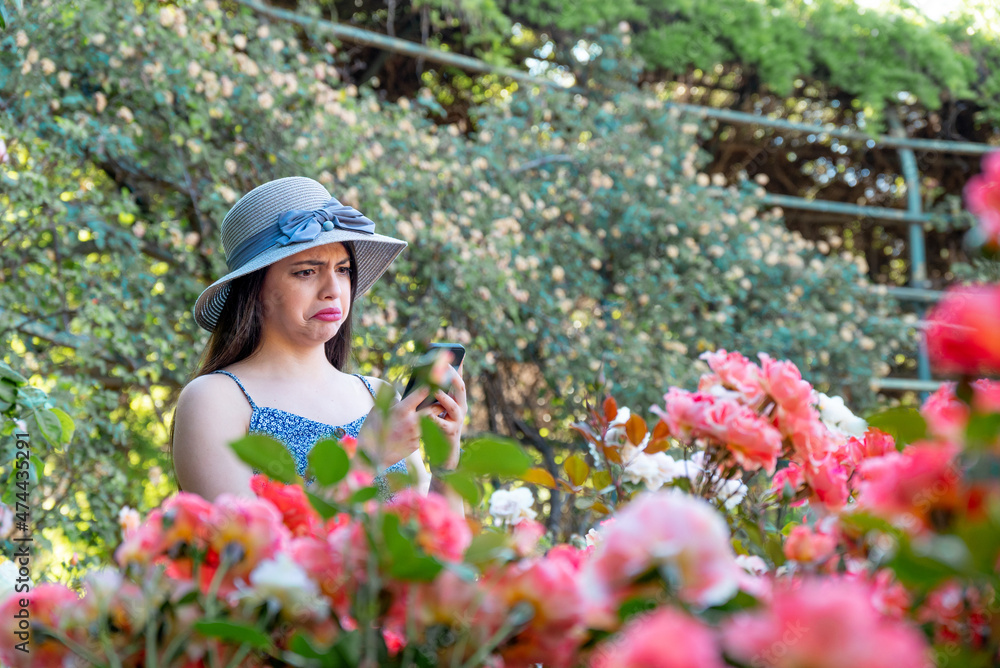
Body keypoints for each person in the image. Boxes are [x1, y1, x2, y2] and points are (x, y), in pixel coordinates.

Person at [171, 176, 467, 503]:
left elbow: (440, 550)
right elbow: (249, 548)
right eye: (307, 272)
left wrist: (445, 465)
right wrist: (368, 459)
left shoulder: (377, 395)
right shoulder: (214, 399)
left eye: (342, 270)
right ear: (255, 290)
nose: (333, 290)